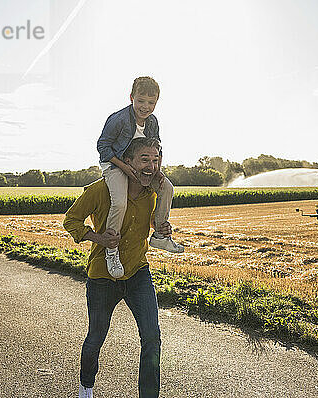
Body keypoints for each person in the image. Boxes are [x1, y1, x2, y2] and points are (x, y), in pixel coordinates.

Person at [64, 137, 167, 398]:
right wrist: (98, 238)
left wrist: (161, 227)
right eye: (145, 159)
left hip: (137, 272)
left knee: (152, 338)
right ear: (128, 162)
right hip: (102, 275)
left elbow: (151, 222)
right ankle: (85, 389)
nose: (151, 166)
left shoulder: (152, 192)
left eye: (155, 160)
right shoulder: (101, 190)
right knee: (96, 337)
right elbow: (71, 220)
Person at [97, 76, 183, 279]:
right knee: (119, 204)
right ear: (131, 98)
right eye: (141, 101)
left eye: (151, 102)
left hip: (142, 164)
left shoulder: (152, 121)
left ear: (156, 102)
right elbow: (103, 147)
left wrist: (158, 170)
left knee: (167, 187)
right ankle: (111, 249)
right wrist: (124, 168)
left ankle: (160, 236)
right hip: (116, 164)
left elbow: (158, 147)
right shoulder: (118, 119)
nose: (145, 107)